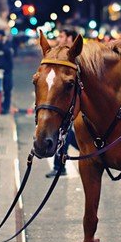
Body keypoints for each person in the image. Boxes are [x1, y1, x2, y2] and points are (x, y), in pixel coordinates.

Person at [46, 28, 80, 177]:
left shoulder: (76, 55)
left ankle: (59, 166)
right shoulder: (62, 53)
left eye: (61, 36)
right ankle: (59, 166)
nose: (59, 38)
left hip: (75, 102)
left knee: (65, 133)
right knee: (65, 133)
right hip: (66, 103)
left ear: (69, 38)